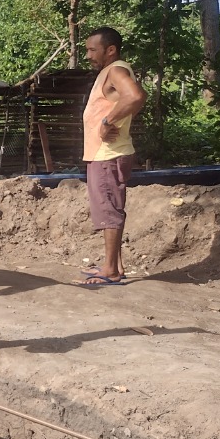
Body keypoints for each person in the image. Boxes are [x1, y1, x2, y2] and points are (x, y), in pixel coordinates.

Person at [79, 26, 146, 286]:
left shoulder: (116, 70)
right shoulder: (112, 71)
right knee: (111, 207)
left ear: (110, 50)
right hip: (106, 153)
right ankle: (114, 264)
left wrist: (109, 120)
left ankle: (110, 270)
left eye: (92, 49)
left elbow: (136, 95)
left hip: (108, 154)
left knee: (109, 210)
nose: (87, 55)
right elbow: (137, 98)